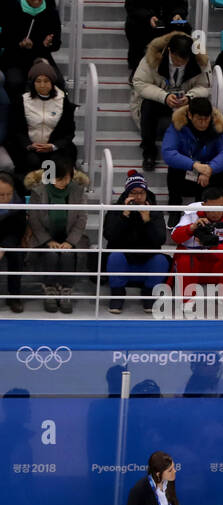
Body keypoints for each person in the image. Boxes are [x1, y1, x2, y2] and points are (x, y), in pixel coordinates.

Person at [132, 32, 211, 172]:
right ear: (169, 51)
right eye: (175, 60)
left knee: (202, 108)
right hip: (159, 100)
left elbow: (205, 86)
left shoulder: (200, 61)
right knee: (147, 106)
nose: (179, 64)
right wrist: (164, 96)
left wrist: (190, 96)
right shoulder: (152, 57)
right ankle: (149, 152)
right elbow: (139, 82)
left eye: (183, 62)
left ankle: (192, 152)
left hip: (185, 101)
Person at [23, 155, 90, 314]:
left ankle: (66, 290)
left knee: (67, 254)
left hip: (70, 237)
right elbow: (34, 219)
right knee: (51, 254)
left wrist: (70, 241)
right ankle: (50, 290)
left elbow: (81, 219)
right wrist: (47, 240)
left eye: (66, 179)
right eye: (59, 179)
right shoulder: (38, 191)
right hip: (44, 236)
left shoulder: (78, 191)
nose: (64, 183)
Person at [103, 170, 170, 315]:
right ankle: (117, 294)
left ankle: (149, 294)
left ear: (146, 193)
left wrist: (147, 221)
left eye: (141, 193)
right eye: (134, 192)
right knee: (114, 256)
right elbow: (109, 235)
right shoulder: (116, 210)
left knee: (161, 260)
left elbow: (160, 239)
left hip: (146, 261)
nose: (138, 197)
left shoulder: (155, 212)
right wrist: (124, 215)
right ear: (127, 194)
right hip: (123, 260)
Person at [170, 186, 223, 306]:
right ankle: (187, 299)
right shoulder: (191, 213)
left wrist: (211, 245)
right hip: (194, 263)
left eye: (219, 208)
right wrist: (191, 228)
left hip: (216, 264)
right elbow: (175, 238)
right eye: (211, 208)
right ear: (203, 205)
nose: (215, 213)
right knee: (185, 259)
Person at [8, 59, 75, 181]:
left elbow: (69, 132)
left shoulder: (63, 101)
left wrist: (53, 146)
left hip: (54, 148)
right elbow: (16, 129)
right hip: (30, 148)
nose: (42, 85)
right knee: (31, 161)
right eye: (38, 81)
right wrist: (29, 145)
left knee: (56, 162)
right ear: (33, 83)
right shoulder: (22, 101)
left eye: (46, 81)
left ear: (52, 82)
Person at [161, 97, 223, 208]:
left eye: (206, 119)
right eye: (199, 119)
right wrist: (193, 165)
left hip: (210, 175)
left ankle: (206, 211)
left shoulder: (218, 126)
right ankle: (174, 211)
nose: (203, 123)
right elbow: (168, 152)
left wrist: (210, 168)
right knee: (173, 169)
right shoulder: (178, 125)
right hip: (188, 172)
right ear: (190, 115)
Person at [0, 0, 61, 95]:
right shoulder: (12, 8)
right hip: (14, 58)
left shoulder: (51, 12)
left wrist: (49, 44)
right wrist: (20, 44)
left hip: (41, 57)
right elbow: (4, 40)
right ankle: (18, 108)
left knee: (57, 80)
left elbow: (57, 44)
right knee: (15, 82)